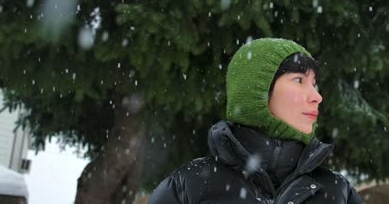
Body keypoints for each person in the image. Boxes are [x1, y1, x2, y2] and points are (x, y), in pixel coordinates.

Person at [148, 38, 362, 204]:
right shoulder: (191, 184)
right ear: (257, 92)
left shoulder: (337, 190)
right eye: (299, 80)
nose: (316, 96)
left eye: (314, 84)